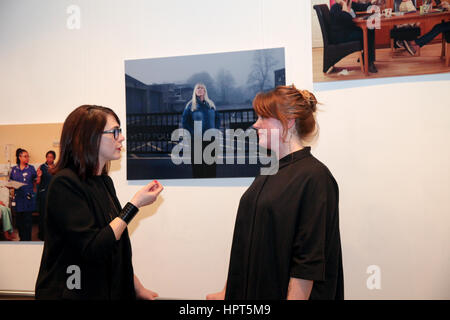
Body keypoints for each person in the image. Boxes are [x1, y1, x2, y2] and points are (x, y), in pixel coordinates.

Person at [207, 85, 343, 300]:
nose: (255, 124)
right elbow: (247, 241)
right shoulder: (268, 172)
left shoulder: (315, 177)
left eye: (263, 117)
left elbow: (308, 264)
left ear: (288, 121)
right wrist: (227, 292)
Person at [35, 105, 164, 300]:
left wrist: (136, 287)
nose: (121, 137)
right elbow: (92, 248)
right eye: (115, 132)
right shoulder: (64, 183)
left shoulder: (104, 181)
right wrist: (134, 205)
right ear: (90, 137)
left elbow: (113, 244)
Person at [181, 83, 220, 178]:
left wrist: (215, 130)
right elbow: (185, 122)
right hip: (197, 140)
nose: (200, 89)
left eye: (202, 88)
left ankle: (212, 186)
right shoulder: (190, 105)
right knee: (198, 166)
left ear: (205, 91)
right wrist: (193, 134)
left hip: (211, 139)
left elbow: (217, 118)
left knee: (211, 166)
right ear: (195, 91)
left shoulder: (210, 104)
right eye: (197, 88)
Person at [330, 0, 379, 73]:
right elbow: (347, 18)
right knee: (367, 34)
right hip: (342, 36)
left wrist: (372, 2)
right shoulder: (335, 7)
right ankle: (368, 62)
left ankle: (367, 58)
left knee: (370, 28)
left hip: (348, 31)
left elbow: (363, 7)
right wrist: (344, 5)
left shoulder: (350, 3)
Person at [9, 148, 38, 241]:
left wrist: (39, 177)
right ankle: (22, 240)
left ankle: (27, 242)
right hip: (18, 199)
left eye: (28, 156)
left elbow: (36, 182)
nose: (27, 158)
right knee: (19, 223)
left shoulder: (31, 169)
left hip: (28, 199)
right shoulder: (14, 169)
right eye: (25, 156)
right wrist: (9, 186)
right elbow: (10, 182)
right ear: (19, 157)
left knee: (27, 223)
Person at [36, 150, 56, 240]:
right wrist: (39, 176)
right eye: (48, 157)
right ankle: (42, 235)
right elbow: (38, 182)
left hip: (54, 195)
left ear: (54, 158)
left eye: (51, 157)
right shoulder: (42, 167)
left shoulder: (57, 167)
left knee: (52, 215)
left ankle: (51, 235)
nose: (49, 159)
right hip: (44, 194)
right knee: (43, 215)